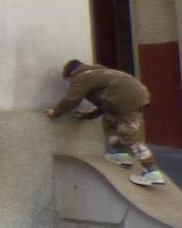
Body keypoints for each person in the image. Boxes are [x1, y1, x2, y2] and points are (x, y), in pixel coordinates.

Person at [47, 59, 166, 187]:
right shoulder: (100, 73)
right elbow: (106, 103)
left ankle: (152, 172)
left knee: (130, 135)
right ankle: (120, 154)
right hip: (137, 96)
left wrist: (56, 112)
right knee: (110, 121)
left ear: (71, 74)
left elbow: (71, 99)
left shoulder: (82, 77)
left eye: (68, 81)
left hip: (126, 99)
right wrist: (89, 115)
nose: (71, 84)